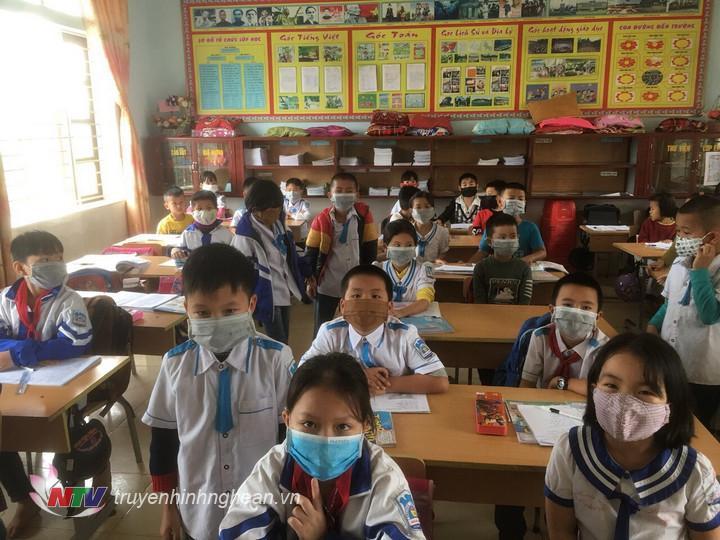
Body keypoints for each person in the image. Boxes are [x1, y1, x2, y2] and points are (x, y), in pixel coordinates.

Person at [143, 244, 294, 540]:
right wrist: (168, 508)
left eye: (229, 311)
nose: (216, 322)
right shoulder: (174, 365)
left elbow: (287, 437)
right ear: (186, 308)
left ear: (251, 304)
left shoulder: (276, 359)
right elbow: (163, 442)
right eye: (203, 312)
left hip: (260, 510)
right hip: (199, 511)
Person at [218, 353, 427, 539]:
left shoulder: (382, 477)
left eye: (342, 426)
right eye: (309, 424)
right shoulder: (274, 469)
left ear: (365, 426)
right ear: (287, 420)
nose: (326, 440)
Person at [545, 333, 720, 539]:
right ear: (593, 391)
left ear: (670, 406)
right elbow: (561, 531)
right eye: (611, 385)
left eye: (645, 391)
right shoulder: (570, 452)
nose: (624, 403)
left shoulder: (695, 472)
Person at [0, 231, 93, 537]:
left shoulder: (69, 299)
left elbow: (74, 344)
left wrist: (18, 352)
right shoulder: (5, 299)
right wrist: (31, 351)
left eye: (58, 258)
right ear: (20, 268)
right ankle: (23, 498)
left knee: (65, 433)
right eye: (44, 260)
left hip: (64, 386)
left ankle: (77, 498)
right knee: (2, 436)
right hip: (16, 385)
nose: (55, 265)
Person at [300, 265, 449, 395]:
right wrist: (356, 377)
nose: (366, 301)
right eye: (356, 295)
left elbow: (439, 380)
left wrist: (383, 384)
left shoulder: (404, 334)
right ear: (343, 306)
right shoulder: (330, 333)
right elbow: (302, 373)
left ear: (389, 307)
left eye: (375, 296)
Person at [648, 195, 720, 429]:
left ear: (712, 236)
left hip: (702, 372)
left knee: (695, 429)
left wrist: (700, 271)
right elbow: (671, 303)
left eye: (686, 232)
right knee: (665, 422)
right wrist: (653, 325)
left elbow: (710, 315)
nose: (679, 238)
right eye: (678, 231)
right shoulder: (680, 263)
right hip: (671, 363)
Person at [232, 180, 309, 344]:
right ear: (256, 210)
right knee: (277, 340)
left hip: (283, 289)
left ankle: (282, 358)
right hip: (265, 293)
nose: (277, 213)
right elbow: (239, 270)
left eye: (279, 208)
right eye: (272, 210)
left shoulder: (279, 225)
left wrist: (307, 272)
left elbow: (290, 254)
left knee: (284, 337)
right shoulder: (246, 235)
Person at [305, 172, 378, 332]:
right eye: (339, 191)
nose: (344, 194)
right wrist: (310, 278)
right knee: (323, 328)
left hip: (357, 286)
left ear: (357, 194)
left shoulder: (364, 217)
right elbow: (311, 252)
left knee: (356, 327)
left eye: (349, 191)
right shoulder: (321, 219)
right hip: (328, 285)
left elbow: (370, 250)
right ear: (330, 195)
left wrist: (368, 278)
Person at [520, 272, 608, 395]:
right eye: (567, 305)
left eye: (586, 308)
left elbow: (604, 392)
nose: (576, 313)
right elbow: (527, 384)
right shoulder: (541, 337)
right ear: (553, 310)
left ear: (597, 317)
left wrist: (563, 383)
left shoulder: (605, 349)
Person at [471, 182, 546, 264]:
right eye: (511, 198)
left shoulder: (530, 227)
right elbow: (482, 252)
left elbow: (541, 252)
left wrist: (528, 259)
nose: (516, 202)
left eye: (520, 199)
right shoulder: (493, 225)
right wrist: (467, 265)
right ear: (500, 201)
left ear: (524, 203)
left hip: (521, 268)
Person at [374, 219, 435, 318]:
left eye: (409, 245)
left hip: (414, 320)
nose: (403, 249)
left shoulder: (423, 270)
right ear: (385, 247)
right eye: (397, 245)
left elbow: (424, 300)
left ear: (415, 246)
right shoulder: (378, 269)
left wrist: (401, 312)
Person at [473, 212, 533, 305]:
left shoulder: (524, 269)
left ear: (518, 238)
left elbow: (524, 303)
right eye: (502, 237)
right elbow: (480, 302)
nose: (508, 240)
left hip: (516, 313)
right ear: (490, 242)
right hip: (487, 313)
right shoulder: (481, 268)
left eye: (513, 236)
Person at [171, 190, 233, 260]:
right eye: (199, 209)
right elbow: (179, 248)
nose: (204, 212)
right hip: (195, 266)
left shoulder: (225, 233)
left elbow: (233, 254)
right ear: (193, 212)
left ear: (217, 210)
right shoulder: (188, 233)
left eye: (209, 208)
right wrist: (175, 250)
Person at [411, 191, 450, 264]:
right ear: (411, 210)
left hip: (433, 268)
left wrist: (437, 260)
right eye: (418, 207)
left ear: (433, 209)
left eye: (427, 207)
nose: (423, 210)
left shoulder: (442, 232)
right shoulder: (406, 231)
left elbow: (443, 253)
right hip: (412, 268)